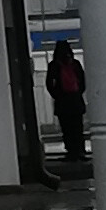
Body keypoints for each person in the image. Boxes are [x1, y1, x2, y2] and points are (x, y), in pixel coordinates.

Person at [44, 34, 89, 177]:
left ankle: (71, 151)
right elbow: (83, 81)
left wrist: (57, 95)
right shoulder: (75, 64)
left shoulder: (54, 65)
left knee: (67, 128)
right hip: (75, 100)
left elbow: (49, 83)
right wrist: (78, 92)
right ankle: (80, 151)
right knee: (78, 127)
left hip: (63, 101)